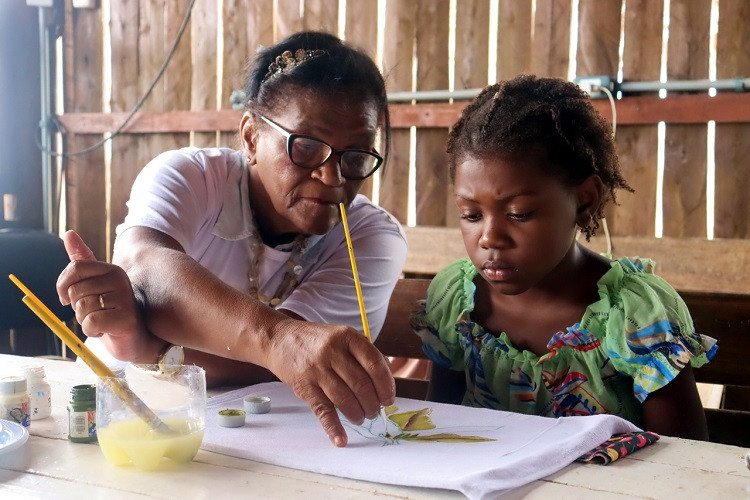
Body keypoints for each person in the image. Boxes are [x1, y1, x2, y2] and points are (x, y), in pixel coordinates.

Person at [56, 31, 408, 447]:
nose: (332, 177)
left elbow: (294, 364)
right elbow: (145, 267)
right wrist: (277, 338)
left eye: (356, 157)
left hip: (274, 438)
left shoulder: (373, 237)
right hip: (124, 417)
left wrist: (146, 344)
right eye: (307, 146)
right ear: (251, 137)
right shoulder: (190, 178)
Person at [410, 75, 717, 440]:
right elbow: (440, 425)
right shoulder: (458, 302)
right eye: (471, 215)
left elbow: (683, 459)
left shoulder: (635, 315)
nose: (489, 237)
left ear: (584, 201)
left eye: (520, 213)